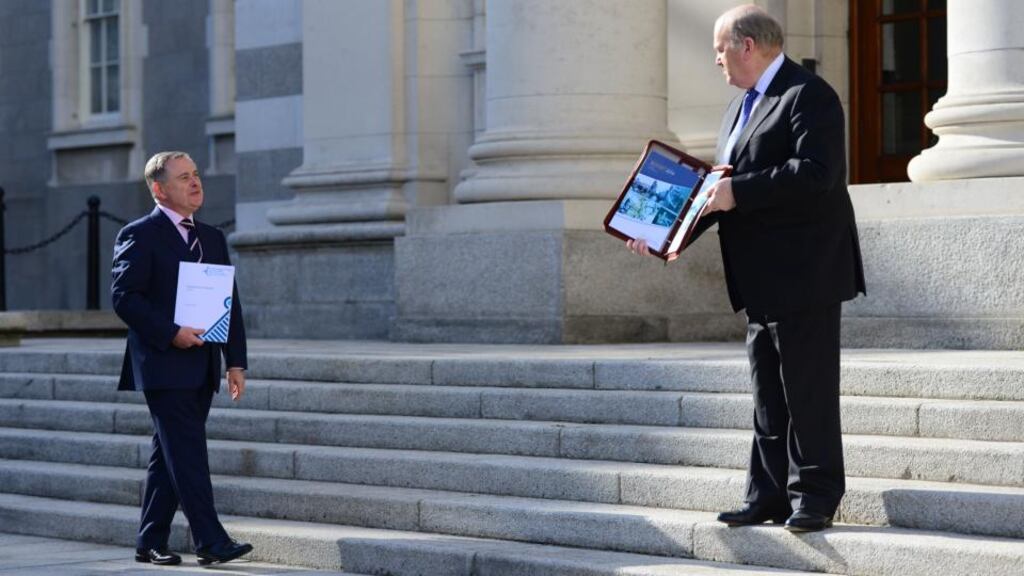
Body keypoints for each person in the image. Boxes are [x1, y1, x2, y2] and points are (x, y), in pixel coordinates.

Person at [627, 5, 865, 532]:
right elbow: (718, 192)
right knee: (768, 395)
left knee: (807, 390)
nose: (716, 59)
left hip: (805, 273)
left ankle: (816, 496)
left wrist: (739, 190)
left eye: (720, 49)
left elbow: (817, 173)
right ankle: (767, 496)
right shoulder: (739, 107)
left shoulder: (808, 94)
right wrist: (664, 235)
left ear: (747, 46)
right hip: (758, 277)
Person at [111, 151, 254, 564]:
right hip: (162, 363)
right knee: (188, 453)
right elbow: (124, 298)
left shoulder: (212, 237)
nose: (195, 183)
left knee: (169, 454)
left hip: (202, 363)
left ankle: (150, 539)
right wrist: (171, 332)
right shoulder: (139, 234)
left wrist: (236, 362)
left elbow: (231, 303)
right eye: (183, 177)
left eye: (196, 174)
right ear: (159, 190)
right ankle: (210, 541)